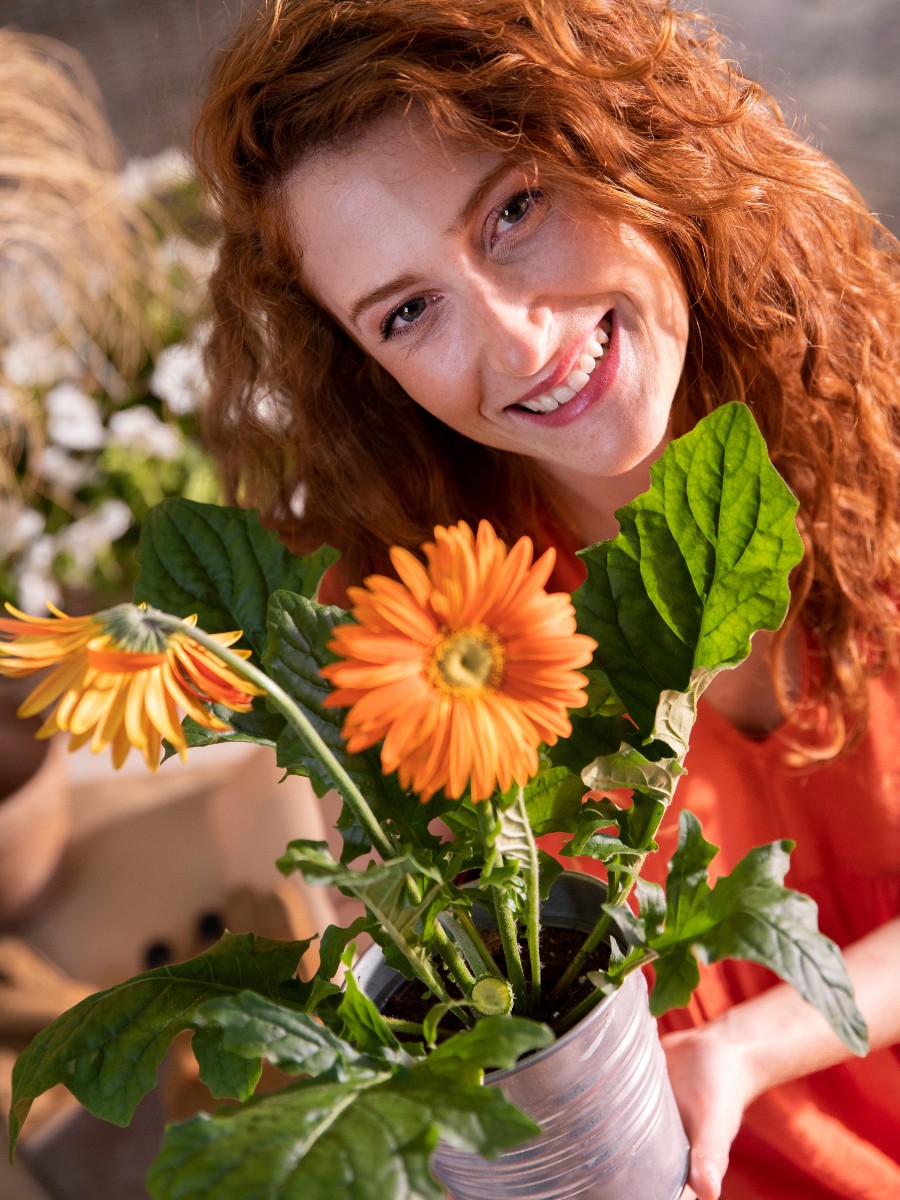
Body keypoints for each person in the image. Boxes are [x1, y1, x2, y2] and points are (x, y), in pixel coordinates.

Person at [193, 2, 900, 1196]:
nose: (520, 346)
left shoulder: (877, 412)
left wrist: (751, 1044)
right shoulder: (410, 644)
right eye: (408, 311)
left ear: (625, 142)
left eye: (513, 211)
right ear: (363, 368)